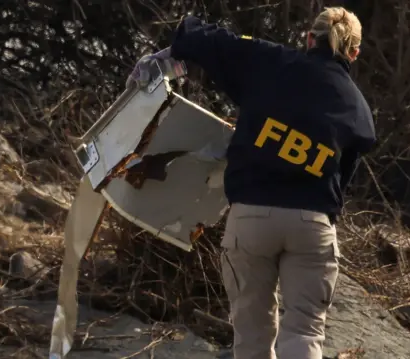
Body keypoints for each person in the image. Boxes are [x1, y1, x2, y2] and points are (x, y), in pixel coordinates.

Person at [128, 7, 375, 359]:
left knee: (252, 337)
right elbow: (347, 171)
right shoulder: (358, 106)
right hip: (312, 224)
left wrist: (172, 52)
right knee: (304, 333)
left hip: (251, 218)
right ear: (354, 53)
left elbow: (208, 39)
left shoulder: (269, 62)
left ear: (309, 38)